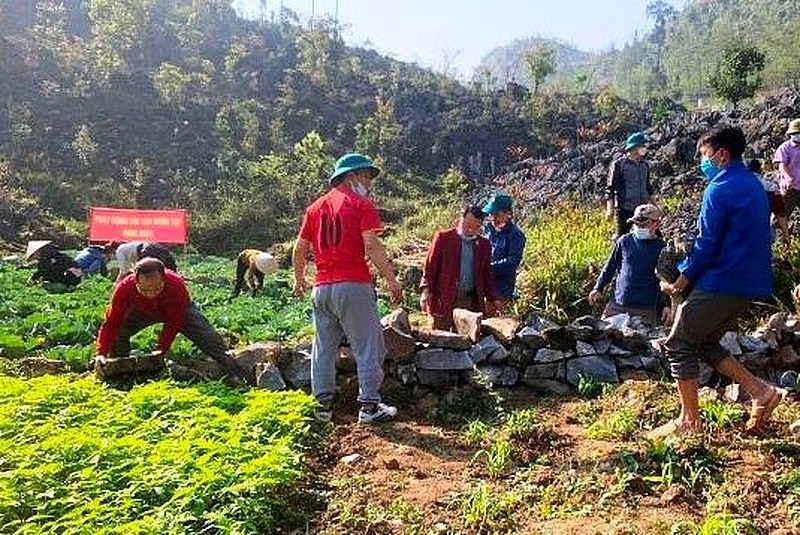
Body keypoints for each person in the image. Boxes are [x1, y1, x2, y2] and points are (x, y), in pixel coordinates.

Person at [652, 125, 784, 439]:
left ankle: (689, 421)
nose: (703, 162)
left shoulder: (719, 188)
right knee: (706, 343)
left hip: (722, 280)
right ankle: (761, 393)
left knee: (678, 343)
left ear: (721, 154)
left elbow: (706, 245)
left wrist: (682, 281)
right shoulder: (754, 184)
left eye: (705, 156)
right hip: (750, 282)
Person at [292, 152, 403, 424]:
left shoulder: (315, 208)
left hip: (322, 289)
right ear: (351, 176)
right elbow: (372, 245)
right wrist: (391, 279)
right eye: (366, 176)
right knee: (368, 345)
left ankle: (322, 407)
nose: (369, 182)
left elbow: (299, 248)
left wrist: (299, 279)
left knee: (324, 348)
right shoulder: (360, 204)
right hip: (352, 284)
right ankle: (369, 407)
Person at [95, 257, 249, 382]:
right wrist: (101, 352)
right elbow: (110, 323)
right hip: (141, 311)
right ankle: (118, 369)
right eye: (144, 290)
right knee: (118, 331)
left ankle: (237, 375)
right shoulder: (123, 288)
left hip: (178, 309)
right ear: (135, 281)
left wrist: (161, 349)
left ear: (164, 279)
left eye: (157, 288)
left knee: (210, 339)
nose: (151, 294)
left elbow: (174, 322)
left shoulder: (175, 284)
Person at [419, 205, 502, 331]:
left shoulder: (484, 245)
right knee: (440, 336)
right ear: (461, 219)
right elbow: (430, 267)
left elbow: (486, 275)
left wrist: (493, 298)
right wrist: (426, 292)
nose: (470, 230)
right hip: (444, 297)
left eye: (476, 227)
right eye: (467, 224)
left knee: (466, 339)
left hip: (468, 300)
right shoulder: (443, 238)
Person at [588, 203, 670, 326]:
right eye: (637, 223)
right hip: (618, 303)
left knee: (640, 341)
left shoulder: (661, 247)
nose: (640, 227)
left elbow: (665, 279)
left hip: (645, 308)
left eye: (645, 224)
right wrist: (598, 288)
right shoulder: (624, 242)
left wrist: (667, 305)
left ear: (656, 224)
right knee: (604, 334)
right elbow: (610, 267)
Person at [606, 132, 655, 239]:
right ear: (634, 147)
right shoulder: (619, 165)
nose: (645, 148)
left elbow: (648, 187)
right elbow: (610, 188)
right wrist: (610, 208)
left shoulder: (644, 165)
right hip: (624, 208)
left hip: (642, 209)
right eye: (642, 146)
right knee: (622, 237)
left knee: (652, 235)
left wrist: (655, 206)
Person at [482, 193, 527, 312]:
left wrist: (488, 267)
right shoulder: (487, 231)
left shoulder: (516, 235)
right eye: (491, 214)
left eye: (497, 214)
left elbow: (512, 262)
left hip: (501, 291)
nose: (493, 218)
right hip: (483, 286)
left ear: (508, 214)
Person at [748, 158, 791, 246]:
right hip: (764, 231)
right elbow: (780, 214)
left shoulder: (735, 185)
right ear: (760, 169)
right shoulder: (771, 188)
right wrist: (786, 236)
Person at [774, 118, 800, 221]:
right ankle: (774, 236)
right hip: (790, 189)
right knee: (780, 218)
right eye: (795, 133)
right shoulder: (785, 148)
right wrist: (788, 178)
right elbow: (781, 165)